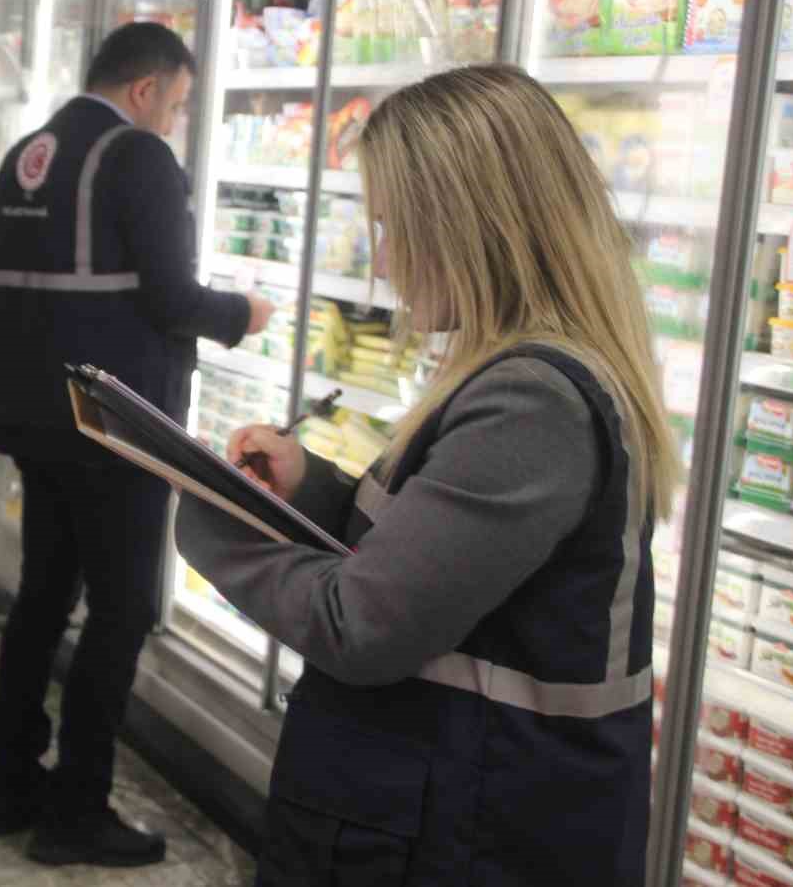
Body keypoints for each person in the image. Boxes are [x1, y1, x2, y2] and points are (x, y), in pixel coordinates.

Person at [177, 64, 674, 886]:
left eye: (394, 225)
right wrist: (314, 488)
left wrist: (214, 517)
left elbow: (364, 625)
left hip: (461, 832)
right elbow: (440, 560)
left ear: (470, 228)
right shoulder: (520, 375)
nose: (385, 259)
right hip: (451, 814)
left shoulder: (530, 402)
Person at [0, 22, 276, 868]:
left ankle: (10, 786)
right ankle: (76, 810)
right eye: (177, 105)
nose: (175, 123)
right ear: (145, 91)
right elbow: (176, 298)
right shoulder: (137, 157)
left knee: (41, 596)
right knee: (122, 610)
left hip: (36, 418)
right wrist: (242, 317)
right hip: (116, 426)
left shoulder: (27, 153)